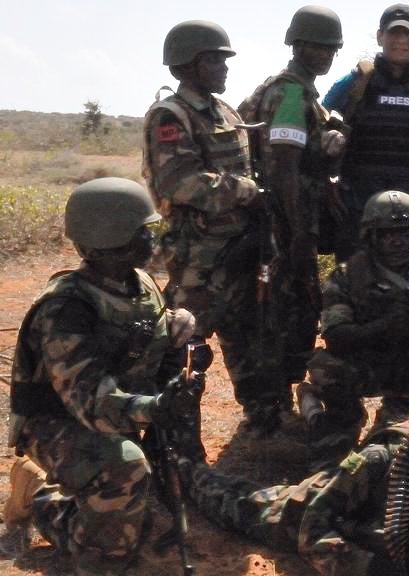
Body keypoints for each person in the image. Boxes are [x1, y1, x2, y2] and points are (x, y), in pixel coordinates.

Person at [4, 178, 199, 576]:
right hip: (57, 422)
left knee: (147, 500)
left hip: (120, 407)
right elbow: (91, 403)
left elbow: (148, 347)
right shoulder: (66, 308)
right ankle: (48, 506)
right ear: (111, 238)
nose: (152, 237)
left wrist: (180, 335)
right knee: (124, 468)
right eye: (143, 230)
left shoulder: (139, 284)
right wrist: (155, 407)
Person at [179, 371, 409, 575]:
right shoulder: (379, 461)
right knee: (226, 497)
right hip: (297, 512)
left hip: (361, 525)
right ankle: (181, 467)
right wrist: (364, 566)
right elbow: (312, 528)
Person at [142, 21, 264, 426]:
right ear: (185, 66)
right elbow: (178, 182)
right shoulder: (170, 115)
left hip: (239, 247)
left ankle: (262, 416)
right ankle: (174, 425)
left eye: (223, 59)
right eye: (213, 59)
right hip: (198, 256)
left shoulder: (224, 110)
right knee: (187, 344)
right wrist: (244, 191)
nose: (224, 67)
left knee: (246, 335)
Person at [237, 5, 348, 432]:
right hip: (282, 228)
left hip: (279, 224)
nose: (324, 55)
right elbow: (284, 166)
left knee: (283, 315)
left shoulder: (292, 91)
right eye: (316, 46)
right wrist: (300, 234)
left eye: (331, 49)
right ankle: (270, 412)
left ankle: (273, 405)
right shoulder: (290, 94)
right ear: (297, 45)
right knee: (285, 317)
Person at [297, 190, 409, 464]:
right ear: (371, 236)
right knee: (326, 371)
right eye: (387, 233)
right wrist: (382, 328)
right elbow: (334, 335)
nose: (397, 241)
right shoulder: (348, 275)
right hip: (369, 363)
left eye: (404, 233)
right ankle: (333, 418)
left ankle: (404, 418)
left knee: (403, 455)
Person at [322, 3, 409, 261]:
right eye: (393, 34)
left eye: (408, 34)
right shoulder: (355, 82)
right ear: (380, 36)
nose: (401, 41)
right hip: (358, 206)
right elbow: (320, 127)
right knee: (354, 284)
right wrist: (329, 182)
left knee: (406, 287)